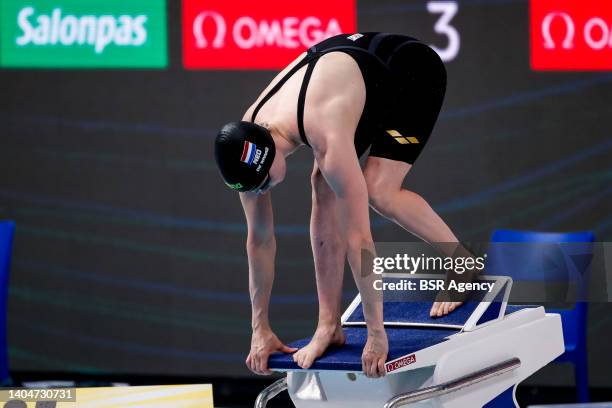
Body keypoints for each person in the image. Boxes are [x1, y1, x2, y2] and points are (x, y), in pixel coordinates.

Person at [214, 32, 462, 378]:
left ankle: (461, 263)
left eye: (263, 182)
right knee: (323, 187)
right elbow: (259, 241)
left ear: (270, 153)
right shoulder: (248, 137)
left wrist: (376, 334)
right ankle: (328, 325)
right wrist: (259, 329)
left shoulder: (326, 134)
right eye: (252, 188)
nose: (260, 191)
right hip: (350, 70)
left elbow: (359, 240)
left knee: (378, 191)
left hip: (408, 70)